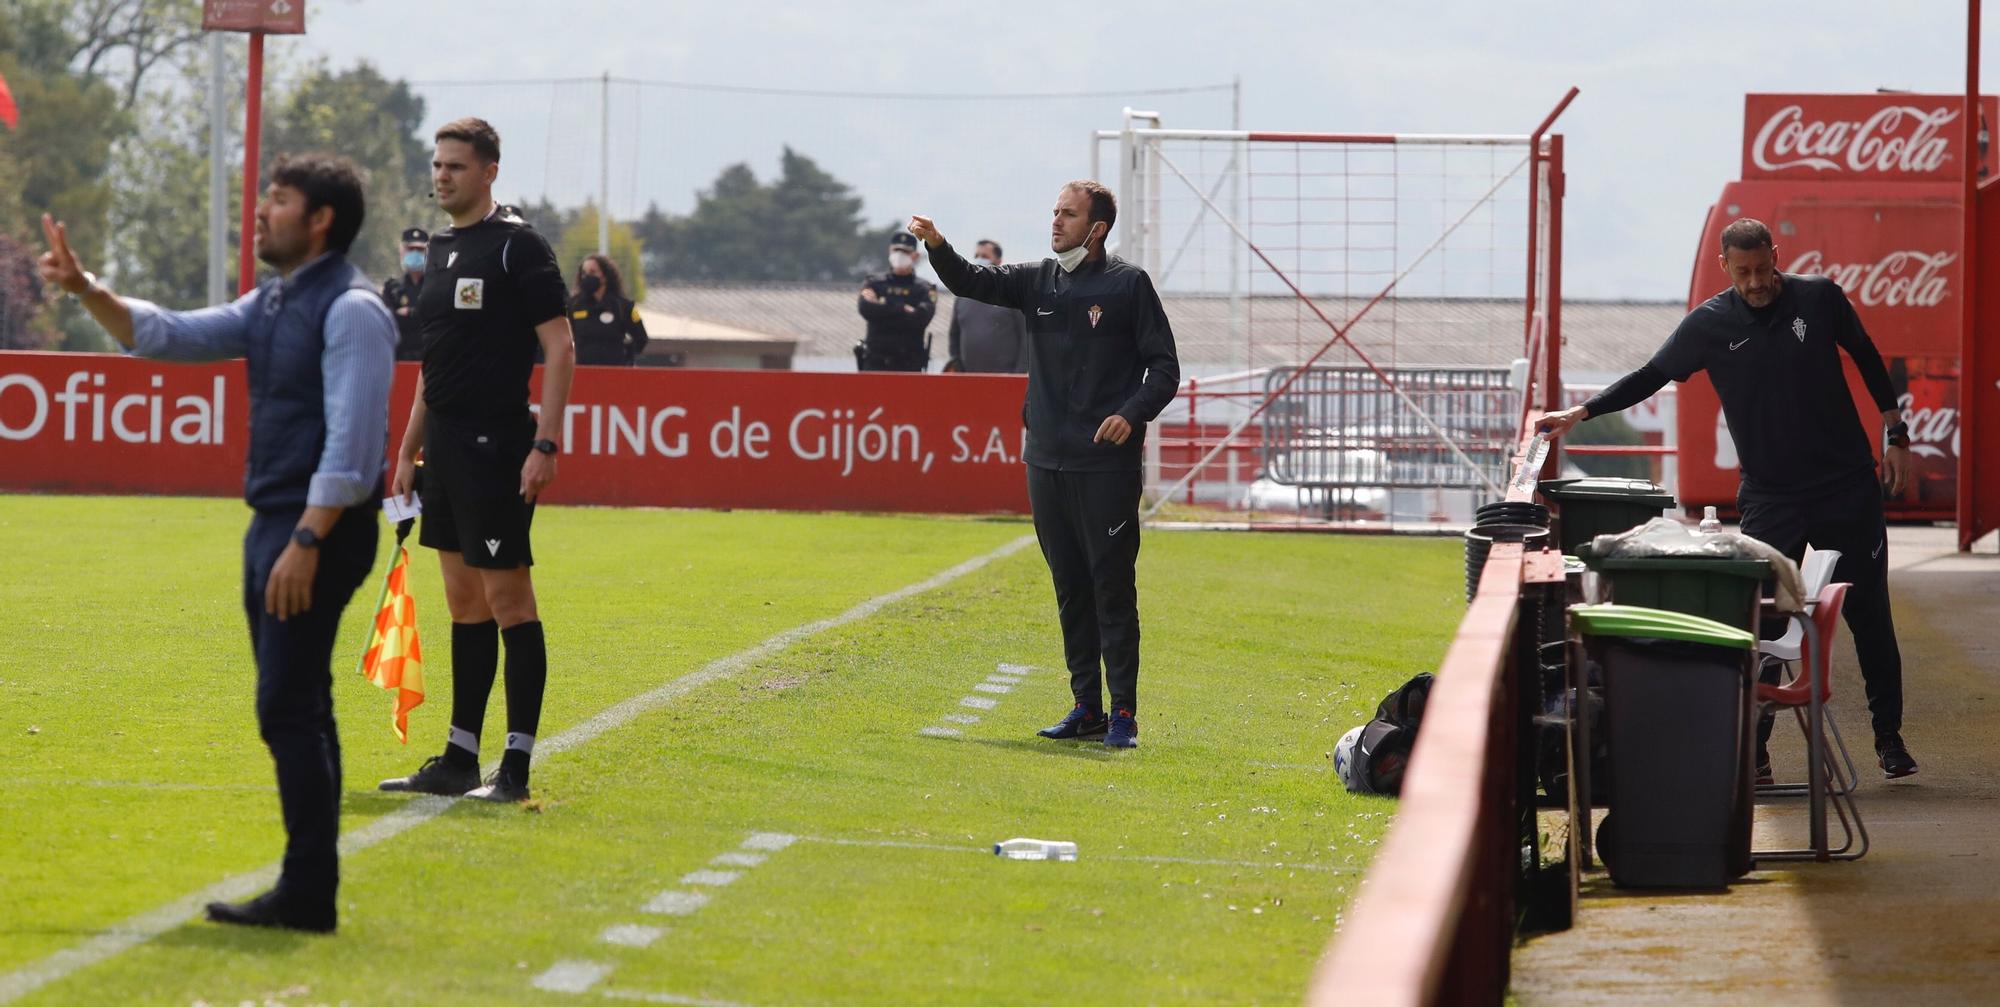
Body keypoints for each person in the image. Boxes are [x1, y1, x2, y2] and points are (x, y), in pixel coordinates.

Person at [38, 154, 396, 932]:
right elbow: (168, 333)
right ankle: (312, 886)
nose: (262, 211)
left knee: (284, 705)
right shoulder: (273, 299)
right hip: (275, 523)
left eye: (278, 199)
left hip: (313, 529)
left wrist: (307, 537)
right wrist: (88, 289)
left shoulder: (353, 310)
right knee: (301, 701)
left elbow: (355, 445)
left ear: (321, 219)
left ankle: (307, 893)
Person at [1535, 217, 1919, 779]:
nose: (1757, 282)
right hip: (1771, 495)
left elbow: (1864, 352)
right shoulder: (1709, 325)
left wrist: (1897, 432)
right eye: (1744, 273)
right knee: (1756, 619)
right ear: (1726, 267)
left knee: (1868, 612)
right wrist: (1582, 412)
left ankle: (1889, 738)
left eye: (1764, 268)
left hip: (1845, 485)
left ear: (1775, 256)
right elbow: (1651, 374)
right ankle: (1755, 748)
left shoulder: (1819, 299)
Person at [910, 180, 1180, 749]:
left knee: (1111, 586)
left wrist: (1132, 413)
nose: (1056, 221)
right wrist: (937, 244)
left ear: (1097, 228)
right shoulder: (1037, 279)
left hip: (1105, 465)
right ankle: (1086, 707)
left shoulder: (1129, 285)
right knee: (1069, 586)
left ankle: (1124, 713)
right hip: (1046, 461)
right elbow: (968, 280)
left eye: (1069, 214)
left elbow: (1164, 368)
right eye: (1054, 211)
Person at [378, 117, 577, 803]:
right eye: (438, 165)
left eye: (456, 166)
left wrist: (545, 444)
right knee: (464, 603)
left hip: (499, 446)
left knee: (508, 600)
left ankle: (514, 768)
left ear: (489, 170)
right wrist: (406, 453)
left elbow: (560, 347)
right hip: (447, 452)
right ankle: (460, 758)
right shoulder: (438, 251)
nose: (442, 176)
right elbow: (433, 368)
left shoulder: (518, 248)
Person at [855, 231, 937, 371]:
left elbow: (921, 318)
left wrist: (881, 307)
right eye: (896, 250)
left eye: (905, 251)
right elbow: (866, 309)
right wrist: (903, 309)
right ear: (889, 252)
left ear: (915, 256)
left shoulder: (924, 288)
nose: (900, 254)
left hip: (909, 364)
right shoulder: (874, 283)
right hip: (875, 363)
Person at [946, 240, 1029, 374]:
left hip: (1005, 379)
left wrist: (1019, 374)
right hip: (969, 379)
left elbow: (1026, 337)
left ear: (998, 261)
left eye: (984, 257)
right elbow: (954, 336)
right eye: (976, 256)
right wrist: (958, 365)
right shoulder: (963, 296)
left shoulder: (1012, 294)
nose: (979, 260)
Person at [568, 253, 649, 366]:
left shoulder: (623, 306)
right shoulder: (573, 305)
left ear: (605, 275)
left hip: (614, 372)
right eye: (584, 273)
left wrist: (626, 356)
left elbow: (641, 338)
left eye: (593, 272)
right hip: (583, 372)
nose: (587, 277)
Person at [381, 227, 430, 361]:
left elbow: (436, 317)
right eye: (410, 249)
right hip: (399, 360)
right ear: (402, 251)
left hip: (428, 361)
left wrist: (410, 313)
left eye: (420, 249)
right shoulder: (392, 288)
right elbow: (388, 321)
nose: (415, 253)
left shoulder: (435, 285)